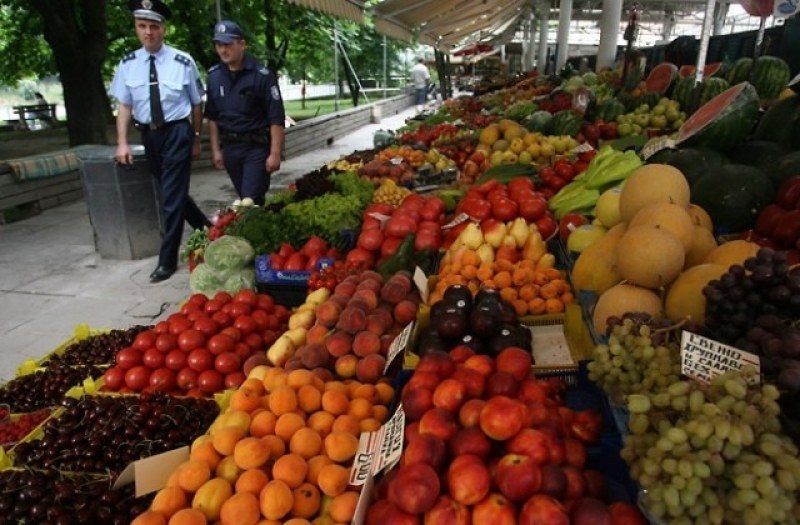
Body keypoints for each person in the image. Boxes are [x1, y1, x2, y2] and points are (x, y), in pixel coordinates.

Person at [109, 0, 210, 283]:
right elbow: (125, 106)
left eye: (154, 26)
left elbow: (196, 103)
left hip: (178, 131)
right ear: (136, 29)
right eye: (142, 26)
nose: (148, 32)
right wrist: (122, 143)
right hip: (149, 135)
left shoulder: (183, 61)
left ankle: (166, 260)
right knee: (174, 192)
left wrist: (196, 136)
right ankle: (207, 228)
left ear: (163, 29)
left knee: (169, 196)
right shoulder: (128, 64)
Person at [205, 20, 285, 206]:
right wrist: (216, 150)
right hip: (230, 149)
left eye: (228, 44)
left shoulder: (262, 75)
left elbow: (276, 117)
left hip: (255, 148)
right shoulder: (214, 76)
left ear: (242, 44)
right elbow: (213, 117)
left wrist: (275, 153)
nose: (223, 50)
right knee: (246, 198)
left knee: (249, 200)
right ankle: (259, 231)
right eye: (219, 45)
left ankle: (251, 231)